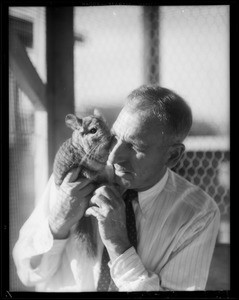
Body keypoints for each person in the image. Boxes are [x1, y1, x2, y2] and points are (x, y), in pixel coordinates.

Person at [13, 85, 220, 292]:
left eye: (135, 146)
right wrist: (58, 223)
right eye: (114, 137)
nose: (113, 156)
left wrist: (119, 246)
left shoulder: (198, 214)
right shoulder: (75, 176)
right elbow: (27, 274)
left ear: (173, 156)